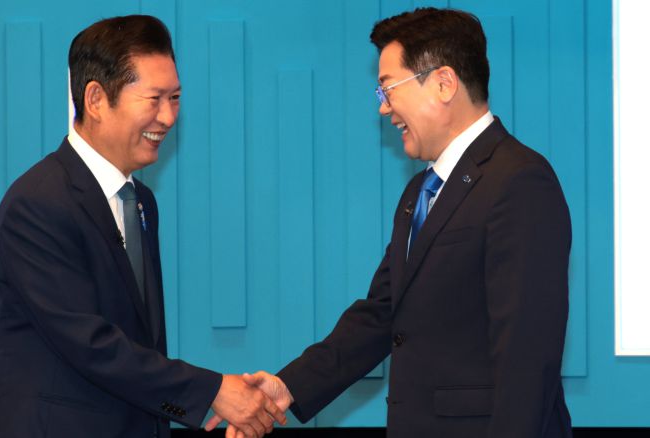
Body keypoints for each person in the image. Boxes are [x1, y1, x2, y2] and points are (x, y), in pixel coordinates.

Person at [208, 7, 573, 438]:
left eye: (388, 89)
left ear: (444, 83)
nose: (384, 108)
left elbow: (528, 356)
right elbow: (383, 314)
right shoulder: (421, 190)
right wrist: (287, 388)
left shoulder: (518, 181)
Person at [0, 15, 284, 438]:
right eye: (154, 99)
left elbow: (140, 344)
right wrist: (212, 392)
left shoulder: (140, 202)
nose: (168, 117)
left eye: (175, 98)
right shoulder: (38, 204)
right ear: (96, 99)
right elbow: (90, 344)